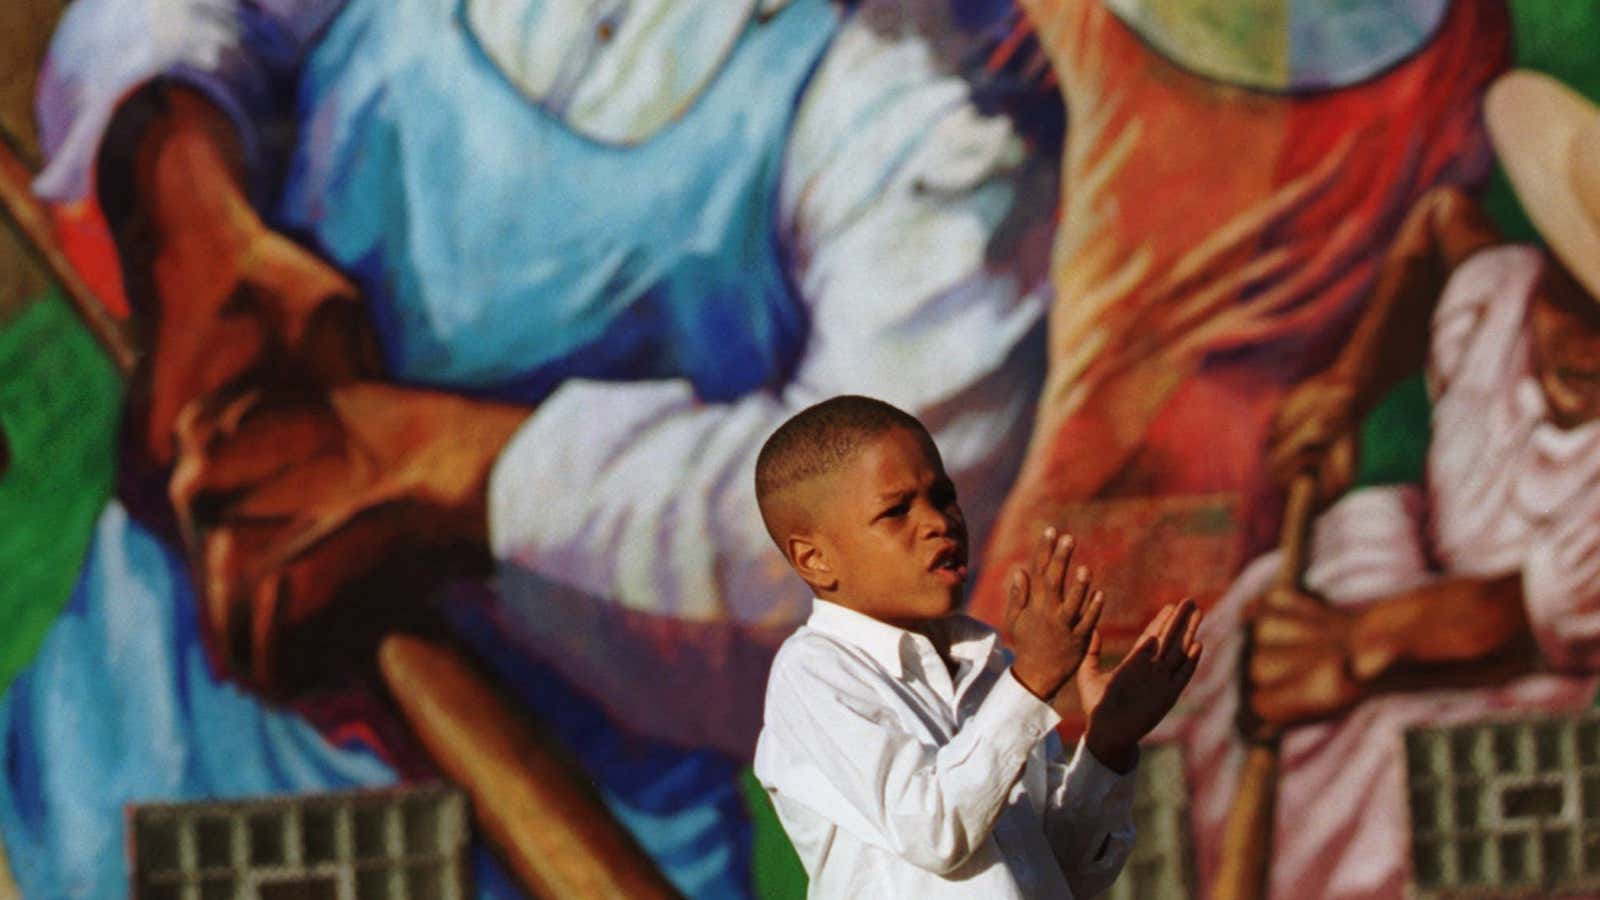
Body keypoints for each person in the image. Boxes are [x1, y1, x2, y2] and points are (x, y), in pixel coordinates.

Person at [3, 0, 1066, 895]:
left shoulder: (934, 114)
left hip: (544, 827)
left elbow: (872, 546)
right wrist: (194, 223)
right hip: (132, 728)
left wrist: (455, 475)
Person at [1147, 70, 1600, 899]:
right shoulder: (1502, 297)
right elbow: (1436, 229)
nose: (1582, 343)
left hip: (1524, 681)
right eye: (1570, 297)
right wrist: (1349, 388)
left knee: (1366, 771)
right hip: (1419, 584)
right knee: (1250, 630)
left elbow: (1510, 613)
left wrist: (1347, 648)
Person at [969, 0, 1511, 653]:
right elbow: (1436, 243)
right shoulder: (1463, 33)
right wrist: (1350, 383)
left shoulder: (1089, 18)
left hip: (1137, 485)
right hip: (1256, 494)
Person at [751, 395, 1202, 897]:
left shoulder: (989, 668)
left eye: (943, 496)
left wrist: (1108, 745)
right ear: (814, 560)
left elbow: (1069, 872)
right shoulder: (815, 672)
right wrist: (1032, 683)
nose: (938, 522)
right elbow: (933, 829)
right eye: (896, 510)